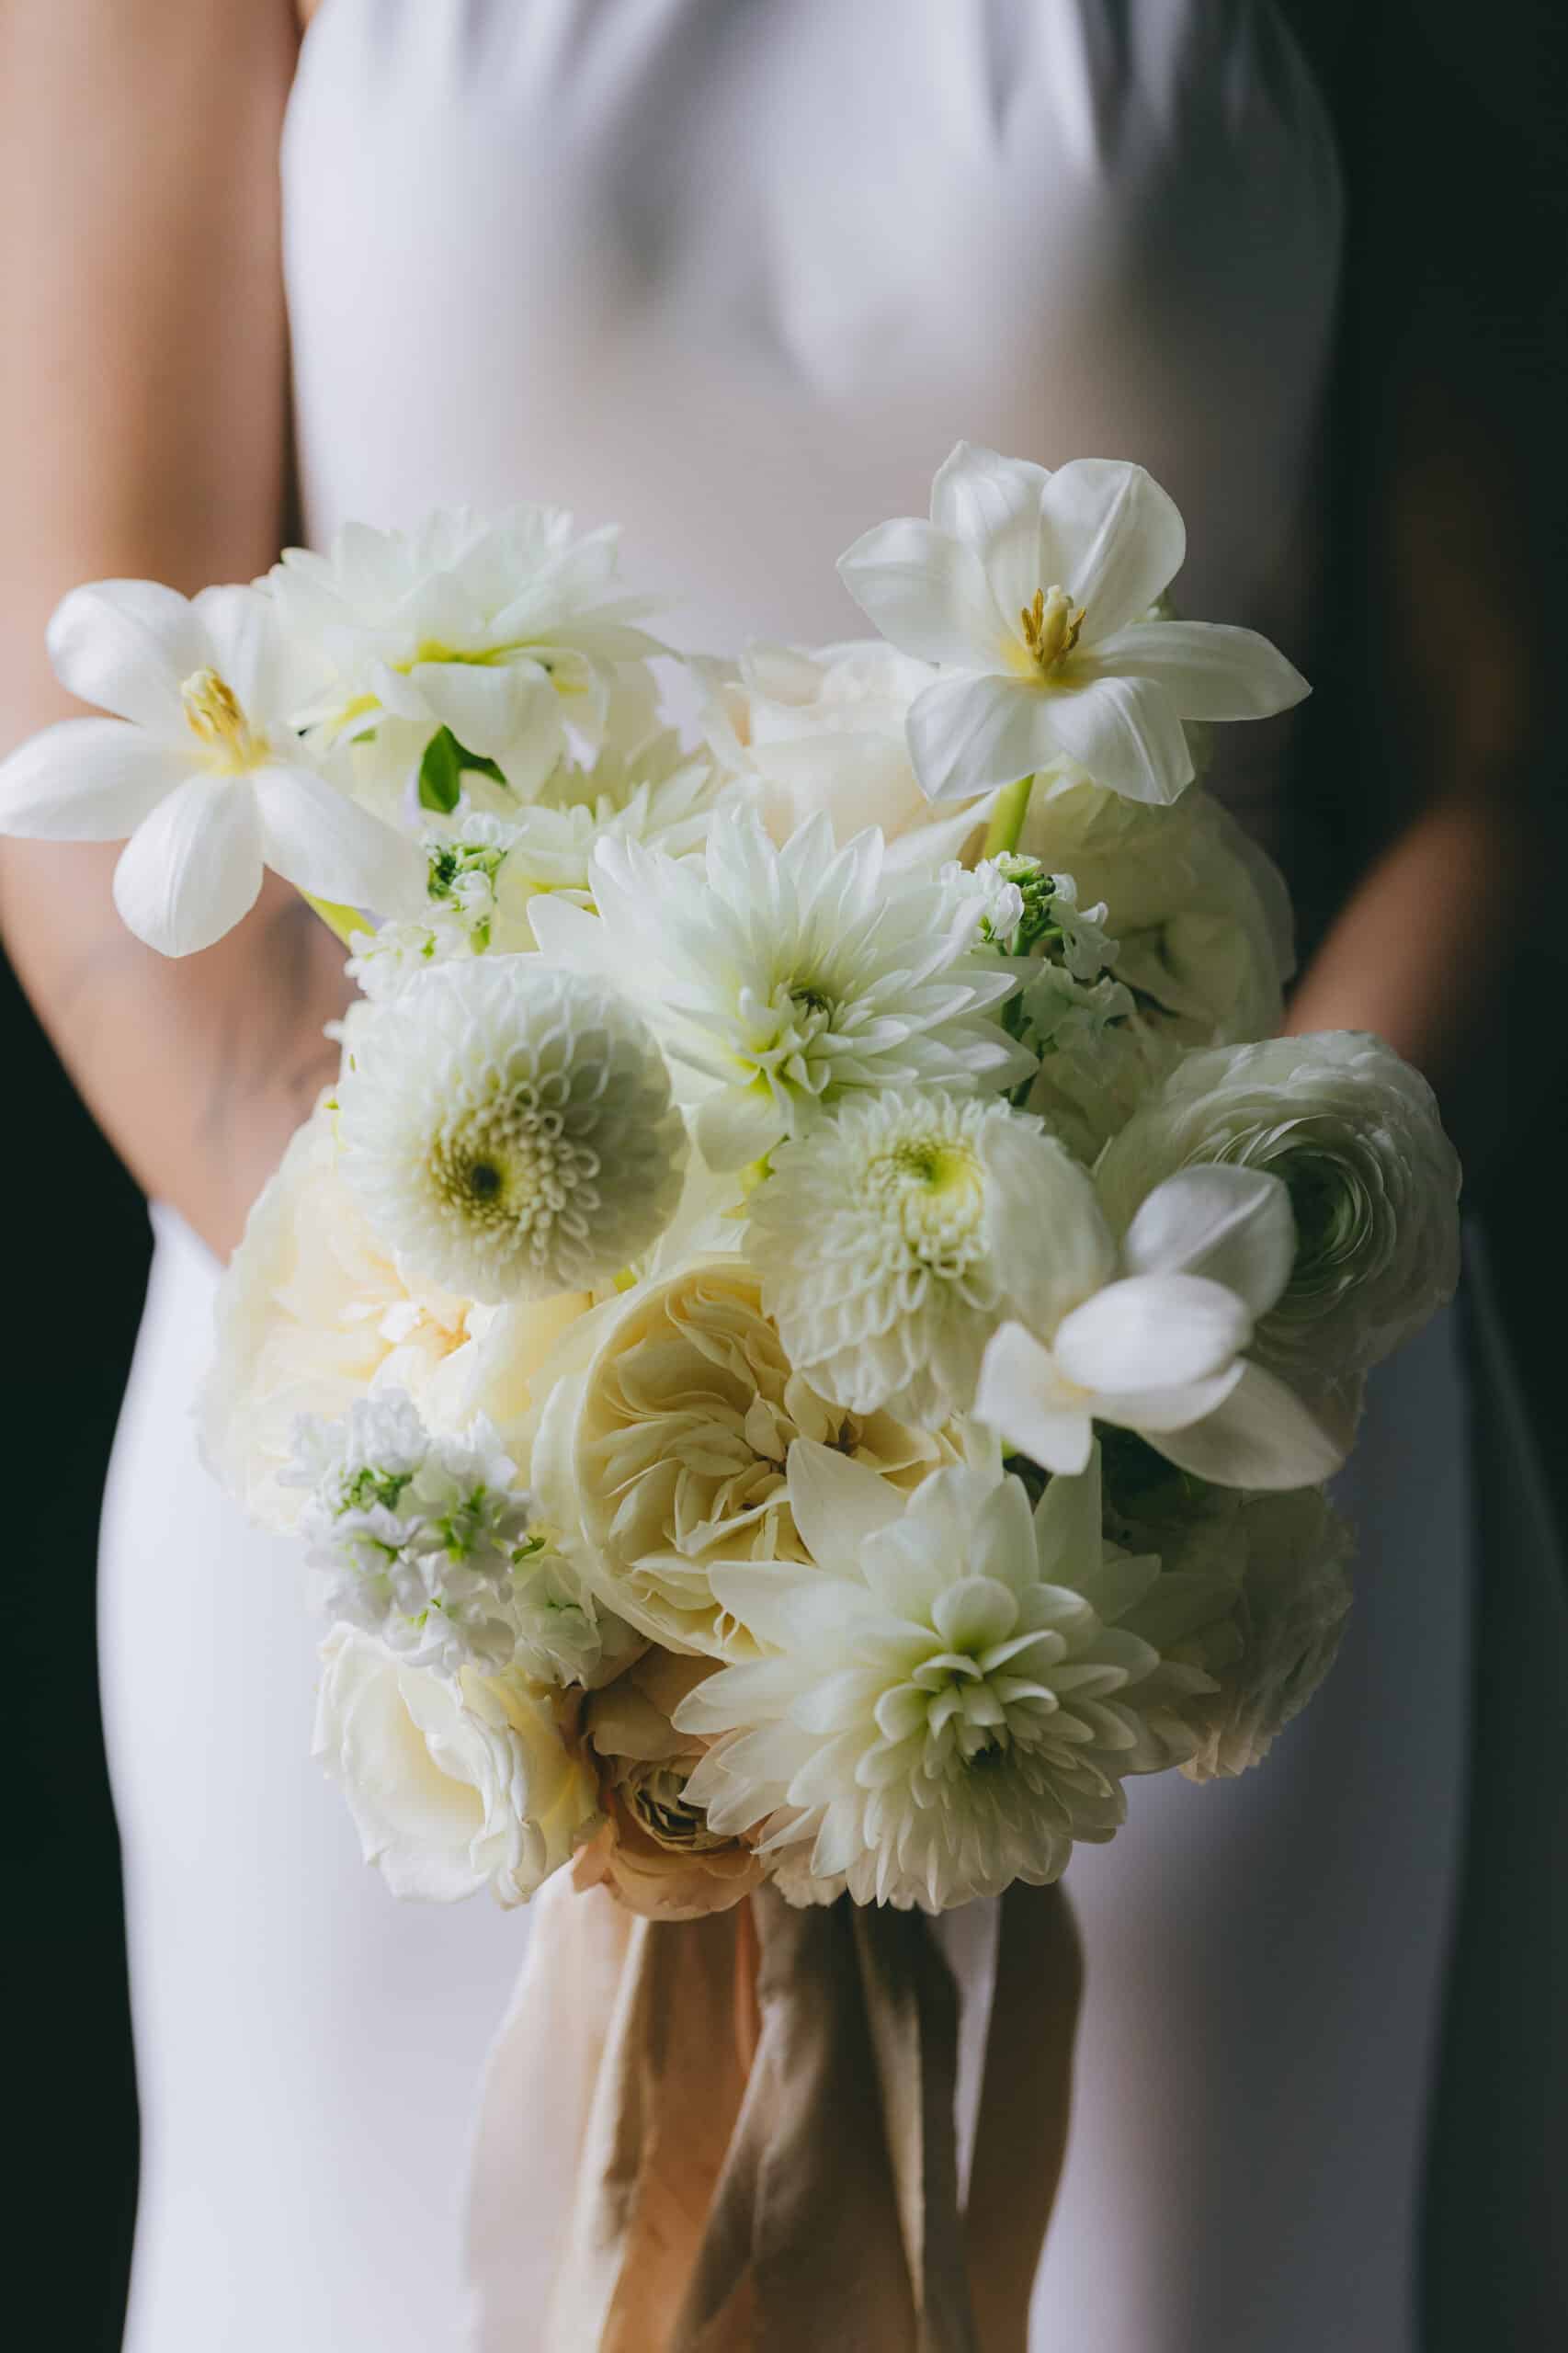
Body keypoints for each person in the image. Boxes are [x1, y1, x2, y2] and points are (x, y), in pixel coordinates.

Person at [1, 4, 1561, 2347]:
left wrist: (1173, 1335)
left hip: (1187, 1455)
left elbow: (1497, 755)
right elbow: (91, 760)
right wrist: (513, 1446)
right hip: (394, 1457)